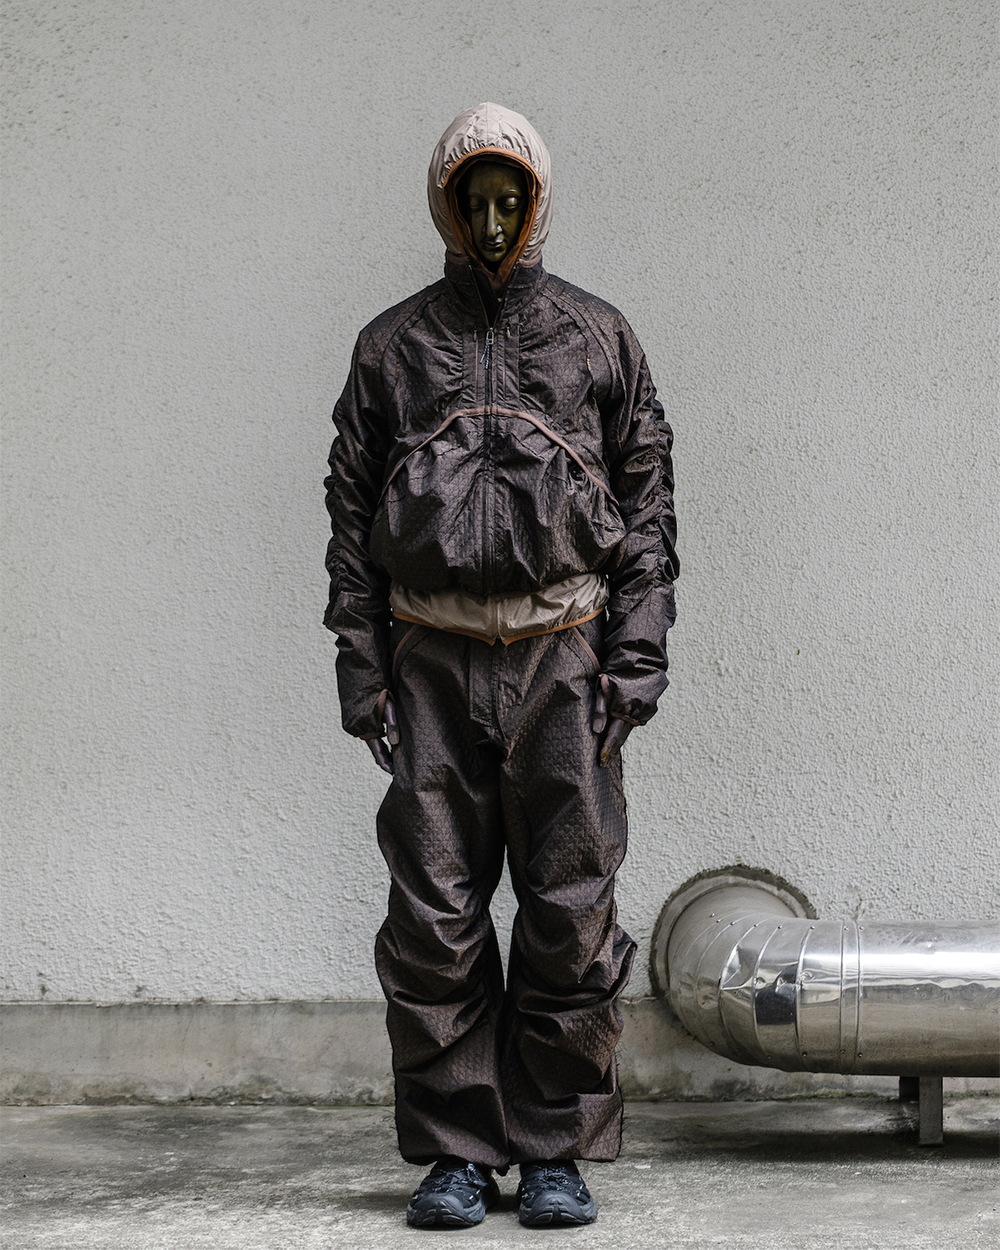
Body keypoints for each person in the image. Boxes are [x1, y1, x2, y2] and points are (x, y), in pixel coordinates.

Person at [324, 102, 678, 1229]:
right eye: (471, 199)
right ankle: (457, 1152)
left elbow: (648, 504)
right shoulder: (391, 347)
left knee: (569, 910)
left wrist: (634, 659)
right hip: (427, 663)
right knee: (434, 914)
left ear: (537, 205)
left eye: (508, 200)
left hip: (564, 661)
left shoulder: (597, 336)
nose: (490, 221)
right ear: (445, 206)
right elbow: (348, 517)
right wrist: (364, 668)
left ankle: (555, 1145)